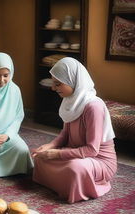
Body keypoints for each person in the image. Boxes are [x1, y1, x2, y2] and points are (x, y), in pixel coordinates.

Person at [32, 57, 117, 203]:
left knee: (74, 168)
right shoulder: (69, 100)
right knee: (39, 157)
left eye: (58, 84)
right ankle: (66, 182)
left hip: (99, 161)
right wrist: (50, 146)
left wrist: (57, 154)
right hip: (76, 152)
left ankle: (71, 184)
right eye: (53, 83)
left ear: (73, 81)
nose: (53, 88)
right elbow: (65, 134)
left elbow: (92, 150)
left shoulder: (93, 107)